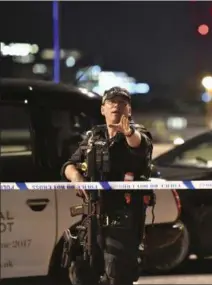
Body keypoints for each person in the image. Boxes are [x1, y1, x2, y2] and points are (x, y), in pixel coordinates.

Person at [61, 87, 154, 285]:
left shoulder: (137, 134)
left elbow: (140, 145)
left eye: (122, 103)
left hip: (122, 219)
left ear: (129, 110)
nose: (116, 107)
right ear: (103, 109)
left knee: (117, 275)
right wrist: (77, 177)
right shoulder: (94, 137)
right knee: (85, 274)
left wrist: (128, 131)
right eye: (112, 103)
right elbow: (68, 165)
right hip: (91, 219)